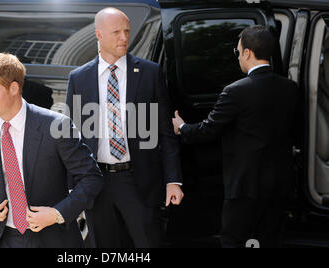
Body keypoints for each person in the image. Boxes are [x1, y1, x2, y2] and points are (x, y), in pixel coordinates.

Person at [172, 25, 300, 248]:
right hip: (280, 183)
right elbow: (296, 132)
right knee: (270, 241)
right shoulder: (290, 88)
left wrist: (182, 127)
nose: (238, 56)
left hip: (245, 186)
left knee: (234, 240)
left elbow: (208, 129)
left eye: (237, 51)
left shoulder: (236, 90)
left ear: (247, 53)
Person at [66, 7, 184, 248]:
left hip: (137, 179)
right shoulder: (79, 77)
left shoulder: (149, 72)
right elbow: (71, 137)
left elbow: (164, 131)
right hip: (95, 181)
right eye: (116, 32)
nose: (124, 37)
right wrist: (71, 186)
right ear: (98, 34)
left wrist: (173, 179)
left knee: (147, 244)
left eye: (127, 31)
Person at [0, 53, 104, 248]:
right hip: (1, 238)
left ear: (14, 88)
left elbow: (91, 178)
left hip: (52, 239)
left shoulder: (56, 126)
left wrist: (57, 214)